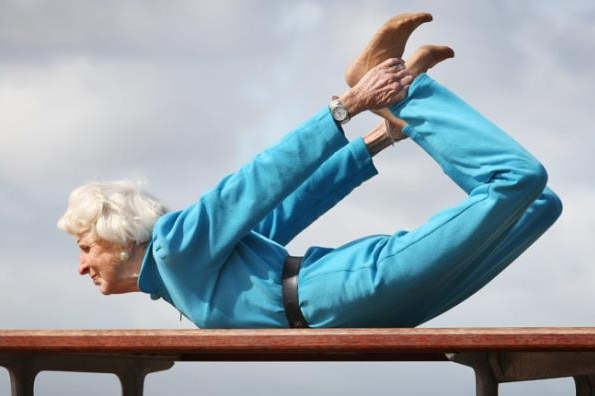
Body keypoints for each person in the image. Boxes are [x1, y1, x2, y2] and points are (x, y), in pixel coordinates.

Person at [58, 13, 562, 328]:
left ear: (122, 239)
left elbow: (260, 182)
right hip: (364, 311)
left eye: (85, 247)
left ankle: (402, 88)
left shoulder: (174, 245)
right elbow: (289, 209)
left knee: (524, 186)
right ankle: (405, 97)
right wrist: (379, 138)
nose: (82, 266)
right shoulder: (179, 281)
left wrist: (348, 106)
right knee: (537, 204)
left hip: (353, 287)